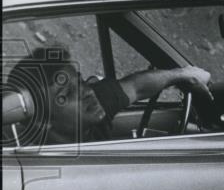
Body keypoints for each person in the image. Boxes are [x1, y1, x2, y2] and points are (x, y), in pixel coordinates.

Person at [6, 44, 211, 145]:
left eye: (79, 80)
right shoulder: (45, 163)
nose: (86, 92)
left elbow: (136, 86)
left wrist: (184, 75)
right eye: (67, 94)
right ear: (43, 122)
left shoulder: (92, 105)